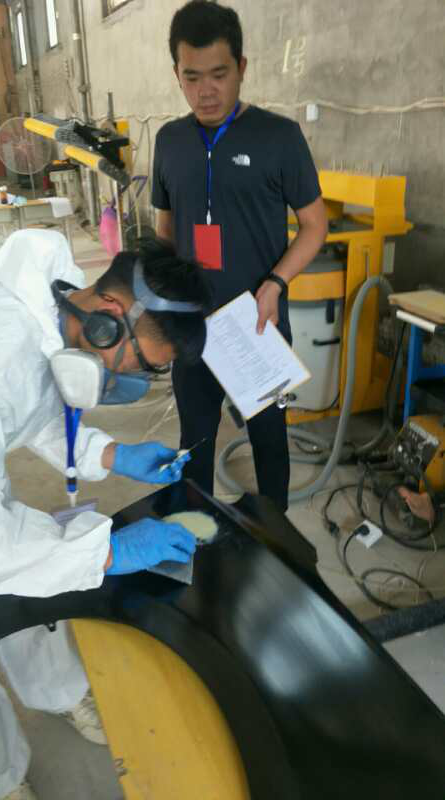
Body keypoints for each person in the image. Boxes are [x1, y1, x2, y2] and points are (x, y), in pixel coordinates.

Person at [0, 228, 210, 800]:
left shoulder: (51, 313)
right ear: (109, 318)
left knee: (26, 586)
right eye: (140, 363)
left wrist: (114, 454)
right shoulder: (1, 349)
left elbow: (32, 412)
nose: (132, 382)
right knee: (18, 563)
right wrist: (109, 550)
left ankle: (58, 692)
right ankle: (2, 777)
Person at [153, 0, 328, 513]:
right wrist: (164, 299)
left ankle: (276, 539)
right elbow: (166, 231)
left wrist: (275, 283)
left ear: (242, 68)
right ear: (177, 75)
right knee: (195, 443)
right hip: (193, 327)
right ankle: (195, 541)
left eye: (219, 74)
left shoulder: (279, 137)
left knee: (269, 442)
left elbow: (314, 226)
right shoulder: (169, 141)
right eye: (192, 77)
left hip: (258, 324)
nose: (205, 91)